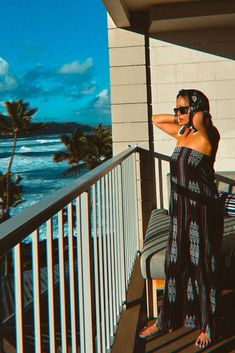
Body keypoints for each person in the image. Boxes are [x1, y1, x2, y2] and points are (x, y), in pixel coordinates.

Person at [139, 89, 223, 348]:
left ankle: (209, 325)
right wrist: (181, 117)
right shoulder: (182, 134)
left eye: (183, 109)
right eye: (176, 109)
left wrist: (193, 114)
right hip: (179, 209)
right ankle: (166, 319)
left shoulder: (209, 135)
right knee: (174, 263)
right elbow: (155, 119)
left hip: (203, 211)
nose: (177, 114)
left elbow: (199, 119)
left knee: (202, 267)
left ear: (198, 110)